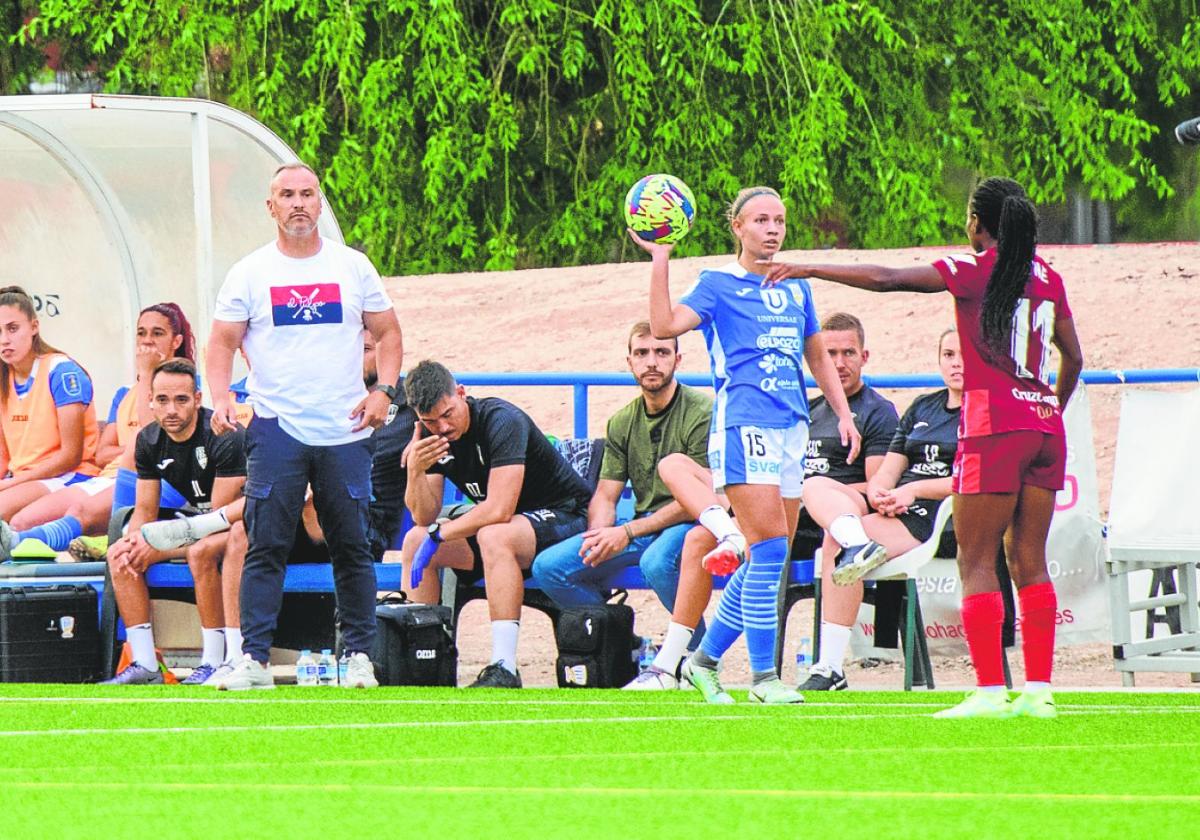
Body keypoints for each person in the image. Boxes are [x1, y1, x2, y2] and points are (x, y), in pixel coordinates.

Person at [758, 176, 1084, 718]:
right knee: (1029, 559)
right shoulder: (1048, 276)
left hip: (994, 424)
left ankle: (987, 693)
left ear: (978, 224)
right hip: (1045, 425)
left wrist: (811, 266)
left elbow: (888, 278)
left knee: (978, 559)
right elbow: (1071, 355)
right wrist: (1048, 404)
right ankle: (1039, 691)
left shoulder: (975, 268)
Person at [630, 185, 861, 705]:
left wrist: (842, 414)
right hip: (744, 427)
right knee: (770, 548)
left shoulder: (796, 288)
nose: (773, 229)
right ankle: (763, 679)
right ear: (737, 227)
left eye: (779, 220)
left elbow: (816, 354)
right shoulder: (717, 284)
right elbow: (666, 325)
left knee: (766, 560)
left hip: (791, 426)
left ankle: (703, 663)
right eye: (761, 220)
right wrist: (661, 258)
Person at [205, 162, 403, 691]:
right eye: (286, 195)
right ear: (270, 206)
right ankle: (253, 659)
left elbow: (387, 333)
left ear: (321, 203)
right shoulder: (249, 272)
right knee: (264, 543)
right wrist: (221, 396)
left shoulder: (354, 266)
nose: (298, 203)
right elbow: (222, 342)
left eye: (307, 194)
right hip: (276, 426)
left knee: (352, 546)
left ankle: (358, 657)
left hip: (346, 427)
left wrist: (383, 390)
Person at [531, 322, 712, 686]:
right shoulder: (622, 421)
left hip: (692, 524)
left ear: (678, 359)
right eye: (642, 353)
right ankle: (619, 640)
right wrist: (599, 536)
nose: (652, 363)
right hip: (642, 527)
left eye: (661, 353)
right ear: (629, 361)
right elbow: (606, 494)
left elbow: (698, 501)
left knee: (657, 563)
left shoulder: (702, 411)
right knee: (548, 567)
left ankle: (700, 657)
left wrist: (625, 531)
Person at [400, 360, 592, 688]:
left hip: (565, 517)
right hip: (509, 532)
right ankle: (423, 662)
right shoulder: (434, 437)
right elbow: (423, 517)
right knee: (415, 541)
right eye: (430, 421)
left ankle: (504, 667)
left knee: (493, 534)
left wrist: (440, 533)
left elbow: (499, 509)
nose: (442, 428)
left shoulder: (501, 420)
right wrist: (415, 471)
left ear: (461, 393)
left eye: (448, 414)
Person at [141, 331, 415, 561]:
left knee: (308, 492)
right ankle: (240, 627)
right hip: (308, 517)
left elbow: (447, 419)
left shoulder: (407, 407)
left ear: (384, 353)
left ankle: (200, 527)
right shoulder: (321, 400)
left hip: (361, 523)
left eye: (365, 349)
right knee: (243, 532)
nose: (353, 358)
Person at [800, 329, 960, 691]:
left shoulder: (985, 412)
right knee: (824, 509)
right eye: (949, 355)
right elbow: (891, 465)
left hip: (941, 516)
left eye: (964, 355)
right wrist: (880, 490)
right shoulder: (923, 406)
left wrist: (913, 489)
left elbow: (975, 478)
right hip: (897, 509)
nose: (956, 364)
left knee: (837, 542)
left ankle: (828, 667)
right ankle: (829, 667)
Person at [0, 303, 195, 560]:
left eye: (157, 334)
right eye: (141, 333)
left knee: (50, 517)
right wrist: (129, 451)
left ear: (176, 341)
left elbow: (152, 441)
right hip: (113, 474)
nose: (147, 341)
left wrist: (148, 372)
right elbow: (103, 453)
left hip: (156, 479)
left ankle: (19, 545)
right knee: (25, 518)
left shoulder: (187, 387)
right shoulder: (124, 394)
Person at [99, 359, 248, 685]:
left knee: (201, 551)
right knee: (121, 553)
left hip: (240, 524)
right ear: (150, 401)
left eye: (181, 400)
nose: (171, 409)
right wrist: (138, 539)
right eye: (162, 400)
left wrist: (160, 549)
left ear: (197, 399)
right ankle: (145, 664)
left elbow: (218, 520)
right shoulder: (147, 440)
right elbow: (145, 509)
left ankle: (213, 660)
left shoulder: (223, 436)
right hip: (196, 524)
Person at [792, 312, 899, 686]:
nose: (839, 363)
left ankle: (829, 667)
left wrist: (820, 492)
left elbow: (876, 487)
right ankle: (698, 658)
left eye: (848, 353)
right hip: (800, 517)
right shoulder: (806, 409)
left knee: (829, 519)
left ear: (864, 357)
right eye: (830, 353)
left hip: (851, 513)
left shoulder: (878, 411)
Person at [0, 286, 100, 526]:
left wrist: (11, 483)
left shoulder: (61, 371)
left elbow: (70, 456)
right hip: (24, 479)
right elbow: (3, 458)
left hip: (69, 475)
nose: (4, 339)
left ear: (34, 327)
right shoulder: (4, 378)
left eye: (13, 329)